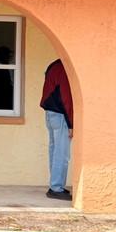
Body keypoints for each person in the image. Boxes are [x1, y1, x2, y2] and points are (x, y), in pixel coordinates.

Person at [40, 59, 73, 200]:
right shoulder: (65, 68)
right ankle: (56, 188)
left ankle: (55, 185)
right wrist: (71, 123)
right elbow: (66, 98)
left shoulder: (53, 65)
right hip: (60, 116)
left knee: (54, 151)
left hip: (50, 113)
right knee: (62, 153)